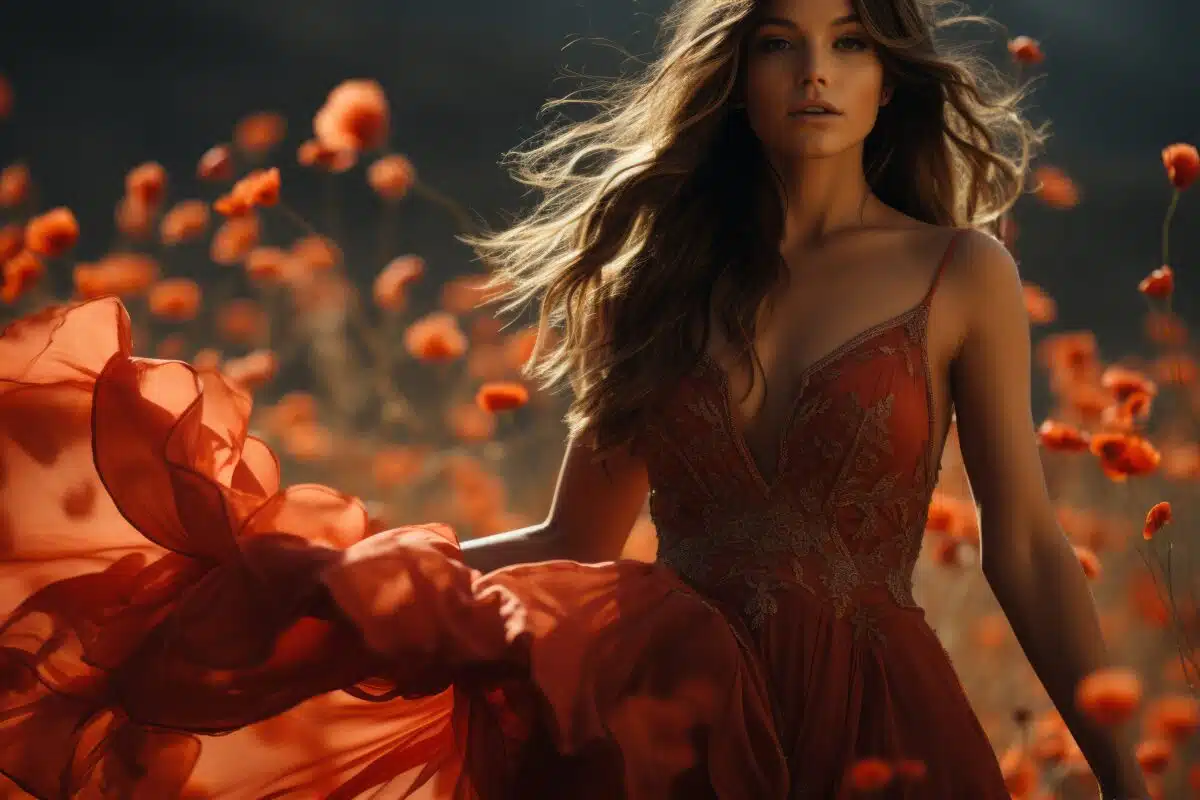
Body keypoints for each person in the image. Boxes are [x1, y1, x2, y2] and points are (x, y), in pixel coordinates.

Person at [0, 0, 1148, 797]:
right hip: (666, 733)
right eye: (778, 45)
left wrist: (1119, 770)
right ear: (733, 75)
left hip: (880, 721)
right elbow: (574, 537)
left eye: (849, 43)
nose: (813, 74)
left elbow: (1030, 548)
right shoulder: (659, 281)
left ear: (889, 73)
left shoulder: (959, 270)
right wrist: (348, 578)